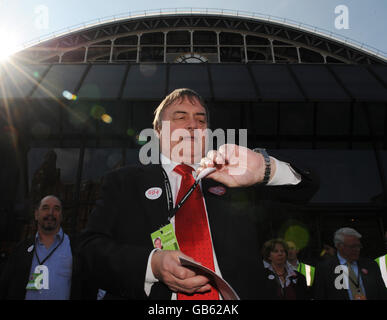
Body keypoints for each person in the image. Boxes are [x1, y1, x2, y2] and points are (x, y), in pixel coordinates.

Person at [79, 88, 319, 299]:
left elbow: (305, 191)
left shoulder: (235, 182)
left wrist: (266, 170)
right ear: (158, 130)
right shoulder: (125, 182)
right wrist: (151, 265)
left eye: (201, 120)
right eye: (180, 117)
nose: (193, 124)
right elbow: (89, 251)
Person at [0, 195, 94, 300]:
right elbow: (5, 285)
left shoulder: (76, 249)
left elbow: (88, 289)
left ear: (61, 216)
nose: (50, 213)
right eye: (45, 208)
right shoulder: (21, 249)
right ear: (36, 214)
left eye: (56, 209)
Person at [313, 227, 387, 300]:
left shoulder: (371, 265)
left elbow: (382, 294)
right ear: (339, 246)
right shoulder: (324, 269)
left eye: (358, 246)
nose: (357, 249)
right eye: (353, 246)